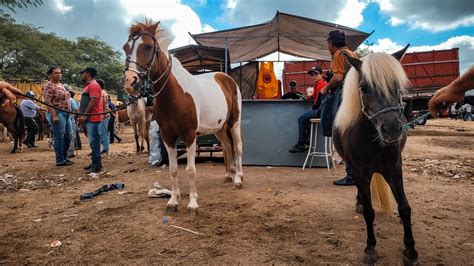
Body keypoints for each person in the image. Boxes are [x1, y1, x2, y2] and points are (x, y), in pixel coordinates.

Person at [318, 30, 358, 186]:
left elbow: (338, 77)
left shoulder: (338, 55)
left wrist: (325, 88)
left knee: (341, 131)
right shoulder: (352, 53)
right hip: (354, 93)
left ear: (331, 43)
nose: (327, 47)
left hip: (344, 94)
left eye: (328, 44)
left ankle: (350, 175)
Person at [289, 66, 327, 153]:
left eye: (316, 74)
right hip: (322, 109)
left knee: (301, 119)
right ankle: (307, 141)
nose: (314, 76)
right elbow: (317, 97)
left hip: (321, 110)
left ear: (321, 74)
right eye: (312, 75)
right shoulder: (319, 83)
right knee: (305, 120)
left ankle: (302, 143)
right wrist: (310, 97)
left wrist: (313, 104)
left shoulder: (321, 84)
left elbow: (318, 102)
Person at [43, 66, 73, 166]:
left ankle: (65, 157)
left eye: (60, 73)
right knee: (59, 136)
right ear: (51, 74)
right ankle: (59, 160)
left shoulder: (61, 85)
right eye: (56, 73)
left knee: (68, 136)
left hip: (66, 113)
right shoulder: (49, 86)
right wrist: (54, 115)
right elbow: (48, 101)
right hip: (58, 113)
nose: (58, 74)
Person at [77, 67, 103, 174]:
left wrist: (85, 115)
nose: (81, 75)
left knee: (94, 142)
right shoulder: (89, 86)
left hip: (93, 118)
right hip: (90, 118)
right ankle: (95, 163)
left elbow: (93, 100)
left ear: (87, 74)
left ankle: (96, 165)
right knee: (93, 142)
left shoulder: (93, 85)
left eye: (82, 73)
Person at [97, 79, 110, 155]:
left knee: (104, 133)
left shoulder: (101, 93)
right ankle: (103, 149)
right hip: (104, 115)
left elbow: (101, 106)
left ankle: (105, 149)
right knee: (103, 133)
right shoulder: (104, 92)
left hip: (103, 116)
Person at [67, 88, 80, 158]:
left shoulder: (70, 100)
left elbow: (77, 110)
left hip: (67, 120)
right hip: (70, 120)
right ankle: (70, 152)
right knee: (71, 136)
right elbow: (77, 110)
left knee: (69, 135)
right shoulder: (71, 100)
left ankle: (69, 152)